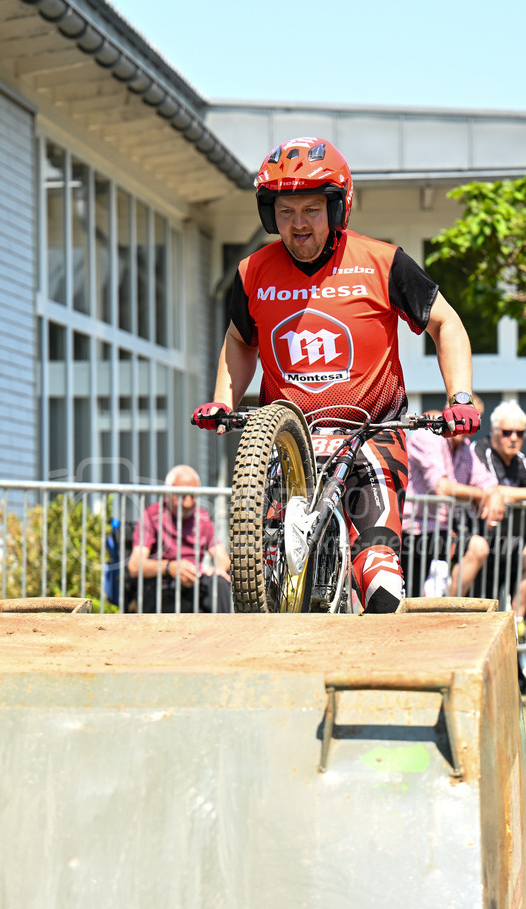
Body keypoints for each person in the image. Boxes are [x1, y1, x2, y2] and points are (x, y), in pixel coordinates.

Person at [192, 136, 480, 613]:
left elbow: (446, 323)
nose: (298, 224)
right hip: (289, 441)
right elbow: (241, 341)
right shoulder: (252, 273)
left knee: (377, 561)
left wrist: (462, 399)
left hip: (371, 431)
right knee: (257, 565)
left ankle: (382, 662)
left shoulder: (384, 263)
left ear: (337, 207)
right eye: (285, 211)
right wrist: (223, 399)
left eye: (310, 209)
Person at [402, 396, 507, 598]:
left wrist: (493, 494)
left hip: (437, 532)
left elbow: (487, 481)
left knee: (478, 547)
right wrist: (480, 495)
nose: (464, 424)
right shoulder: (427, 435)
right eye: (461, 417)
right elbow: (441, 487)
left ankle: (448, 610)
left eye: (472, 419)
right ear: (447, 413)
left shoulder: (466, 448)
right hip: (410, 531)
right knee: (404, 603)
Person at [472, 400, 526, 627]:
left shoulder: (520, 459)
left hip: (512, 544)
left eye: (520, 433)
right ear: (494, 432)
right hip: (483, 544)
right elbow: (493, 490)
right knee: (482, 617)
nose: (514, 438)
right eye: (507, 432)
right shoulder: (481, 450)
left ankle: (518, 621)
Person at [127, 464, 231, 613]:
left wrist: (218, 569)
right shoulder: (152, 516)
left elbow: (222, 556)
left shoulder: (202, 517)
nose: (188, 502)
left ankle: (224, 633)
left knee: (220, 583)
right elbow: (135, 565)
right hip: (163, 584)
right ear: (167, 492)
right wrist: (170, 568)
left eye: (193, 496)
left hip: (195, 581)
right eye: (181, 496)